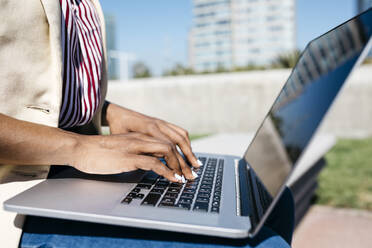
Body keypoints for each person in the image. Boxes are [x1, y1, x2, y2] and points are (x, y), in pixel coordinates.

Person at [0, 0, 294, 247]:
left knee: (271, 200)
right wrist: (81, 146)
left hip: (69, 175)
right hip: (17, 184)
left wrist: (108, 112)